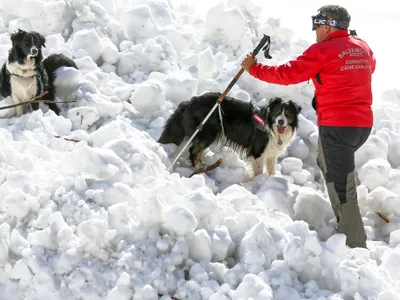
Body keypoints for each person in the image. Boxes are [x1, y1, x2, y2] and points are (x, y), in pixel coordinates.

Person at [241, 5, 376, 249]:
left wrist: (254, 68)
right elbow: (369, 67)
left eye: (317, 26)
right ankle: (346, 225)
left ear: (327, 26)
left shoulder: (323, 50)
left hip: (338, 126)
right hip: (362, 125)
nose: (315, 32)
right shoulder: (362, 47)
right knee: (328, 165)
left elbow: (289, 74)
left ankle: (355, 245)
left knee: (342, 185)